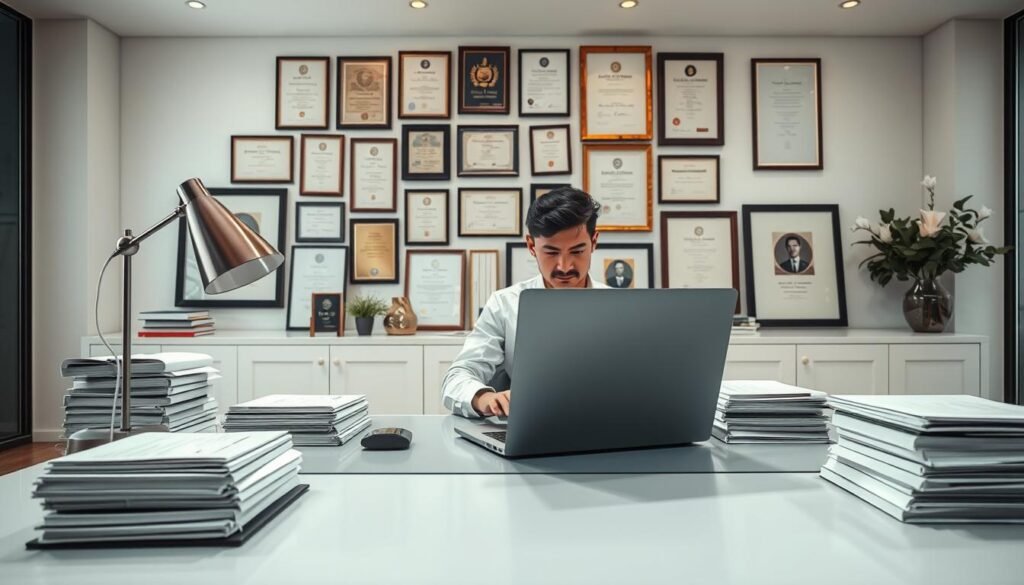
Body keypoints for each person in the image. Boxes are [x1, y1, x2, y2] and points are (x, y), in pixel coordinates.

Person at [441, 187, 609, 418]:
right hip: (531, 427)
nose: (564, 266)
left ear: (594, 241)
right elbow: (458, 375)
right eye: (551, 252)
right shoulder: (504, 304)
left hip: (606, 423)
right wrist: (485, 398)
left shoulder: (620, 306)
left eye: (577, 251)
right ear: (531, 246)